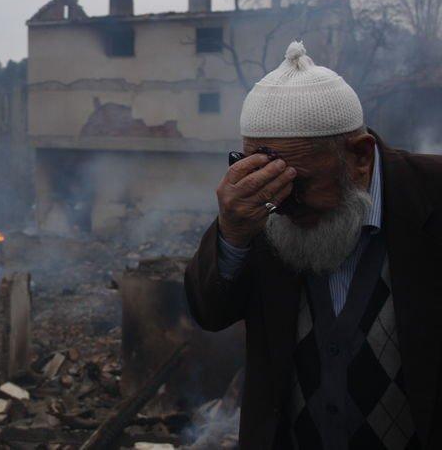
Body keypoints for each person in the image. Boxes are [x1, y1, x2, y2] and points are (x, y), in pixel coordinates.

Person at [185, 41, 442, 449]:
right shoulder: (262, 210)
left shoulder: (430, 195)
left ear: (359, 157)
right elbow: (210, 312)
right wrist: (232, 232)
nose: (281, 203)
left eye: (298, 182)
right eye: (267, 178)